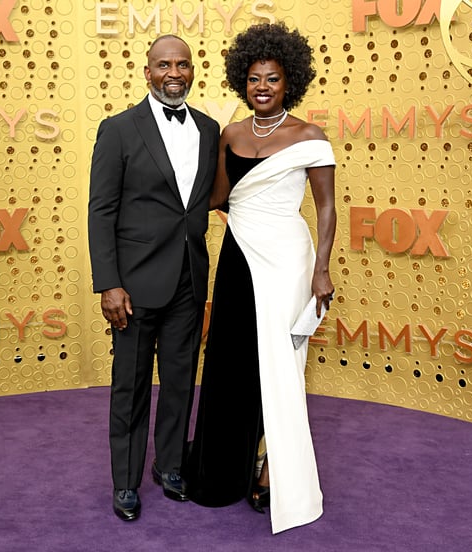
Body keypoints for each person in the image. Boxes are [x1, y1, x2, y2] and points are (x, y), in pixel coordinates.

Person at [186, 22, 337, 534]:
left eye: (272, 78)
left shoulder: (310, 136)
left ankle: (275, 468)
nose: (262, 87)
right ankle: (223, 467)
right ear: (242, 82)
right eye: (253, 79)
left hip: (289, 260)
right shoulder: (232, 134)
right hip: (238, 255)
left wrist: (321, 270)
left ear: (288, 80)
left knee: (282, 363)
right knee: (230, 359)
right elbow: (219, 198)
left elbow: (327, 208)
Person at [87, 35, 220, 522]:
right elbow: (101, 210)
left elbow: (212, 199)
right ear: (147, 72)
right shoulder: (119, 129)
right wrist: (108, 282)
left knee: (182, 382)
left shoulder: (209, 129)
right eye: (164, 65)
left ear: (192, 70)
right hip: (135, 284)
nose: (174, 73)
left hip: (188, 278)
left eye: (183, 65)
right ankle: (125, 481)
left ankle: (170, 465)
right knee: (131, 386)